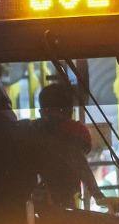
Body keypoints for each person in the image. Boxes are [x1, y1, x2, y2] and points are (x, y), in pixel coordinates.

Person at [32, 80, 108, 209]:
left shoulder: (32, 131)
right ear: (70, 111)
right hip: (63, 204)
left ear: (42, 112)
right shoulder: (75, 133)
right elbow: (81, 165)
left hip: (36, 208)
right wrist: (97, 194)